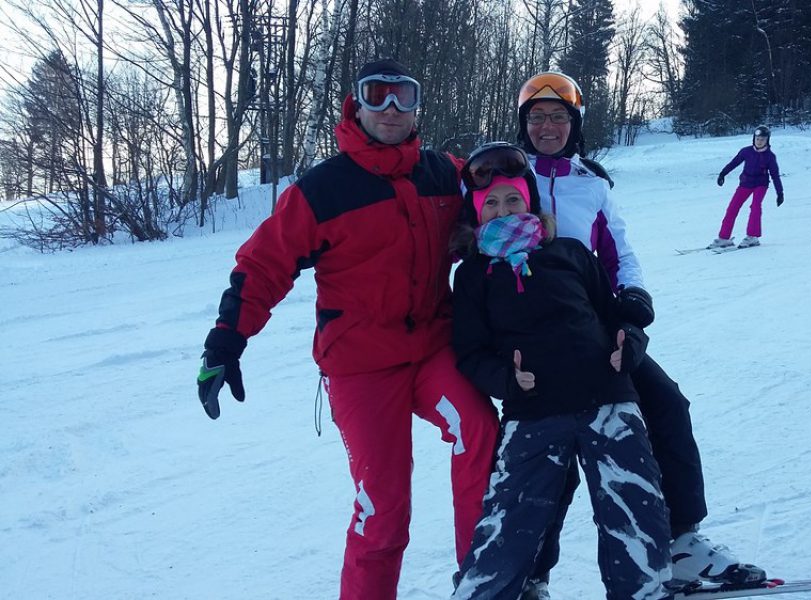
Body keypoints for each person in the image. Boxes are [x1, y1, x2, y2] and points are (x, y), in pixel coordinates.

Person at [195, 58, 499, 600]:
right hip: (361, 364)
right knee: (383, 509)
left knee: (479, 429)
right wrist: (226, 340)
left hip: (433, 349)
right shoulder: (324, 189)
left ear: (417, 107)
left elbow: (502, 192)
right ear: (355, 106)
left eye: (404, 96)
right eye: (377, 95)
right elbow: (264, 264)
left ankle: (485, 582)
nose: (391, 109)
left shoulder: (443, 174)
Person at [514, 71, 765, 598]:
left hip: (594, 327)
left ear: (575, 124)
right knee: (554, 453)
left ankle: (680, 542)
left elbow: (620, 254)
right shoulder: (507, 176)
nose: (547, 126)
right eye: (537, 117)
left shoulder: (592, 183)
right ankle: (530, 575)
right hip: (533, 338)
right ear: (523, 124)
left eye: (558, 116)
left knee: (667, 404)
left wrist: (632, 305)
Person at [448, 142, 673, 600]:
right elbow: (469, 353)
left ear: (530, 201)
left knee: (636, 511)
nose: (503, 210)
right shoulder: (473, 275)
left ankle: (643, 592)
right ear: (476, 211)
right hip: (534, 410)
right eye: (491, 203)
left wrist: (631, 342)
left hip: (608, 400)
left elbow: (615, 317)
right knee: (510, 518)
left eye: (513, 199)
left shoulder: (570, 252)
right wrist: (506, 381)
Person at [711, 125, 785, 249]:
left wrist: (780, 193)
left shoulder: (770, 156)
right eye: (757, 139)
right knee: (732, 208)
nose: (759, 141)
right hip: (746, 182)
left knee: (755, 206)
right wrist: (722, 174)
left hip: (761, 184)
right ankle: (724, 238)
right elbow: (734, 163)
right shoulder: (746, 151)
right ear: (753, 139)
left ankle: (752, 237)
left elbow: (775, 175)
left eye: (762, 139)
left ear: (767, 140)